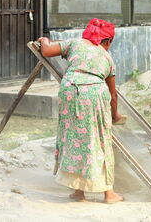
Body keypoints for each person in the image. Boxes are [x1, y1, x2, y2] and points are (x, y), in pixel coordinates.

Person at [37, 18, 125, 203]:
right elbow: (113, 94)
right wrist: (115, 115)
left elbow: (46, 50)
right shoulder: (107, 57)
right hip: (94, 95)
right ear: (107, 41)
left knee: (75, 139)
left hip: (70, 91)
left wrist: (43, 40)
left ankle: (79, 192)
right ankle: (108, 194)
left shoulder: (74, 43)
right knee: (99, 141)